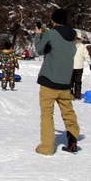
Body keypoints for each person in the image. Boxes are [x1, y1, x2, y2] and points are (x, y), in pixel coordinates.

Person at [34, 8, 80, 155]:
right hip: (66, 81)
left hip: (49, 80)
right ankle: (73, 139)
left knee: (47, 113)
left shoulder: (51, 34)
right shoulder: (73, 35)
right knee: (68, 111)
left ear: (54, 21)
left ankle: (47, 147)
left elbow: (40, 50)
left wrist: (38, 35)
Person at [71, 34, 91, 100]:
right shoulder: (82, 46)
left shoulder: (70, 45)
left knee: (70, 81)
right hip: (79, 66)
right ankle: (77, 95)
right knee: (78, 81)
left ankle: (70, 93)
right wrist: (90, 64)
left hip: (71, 66)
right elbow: (86, 55)